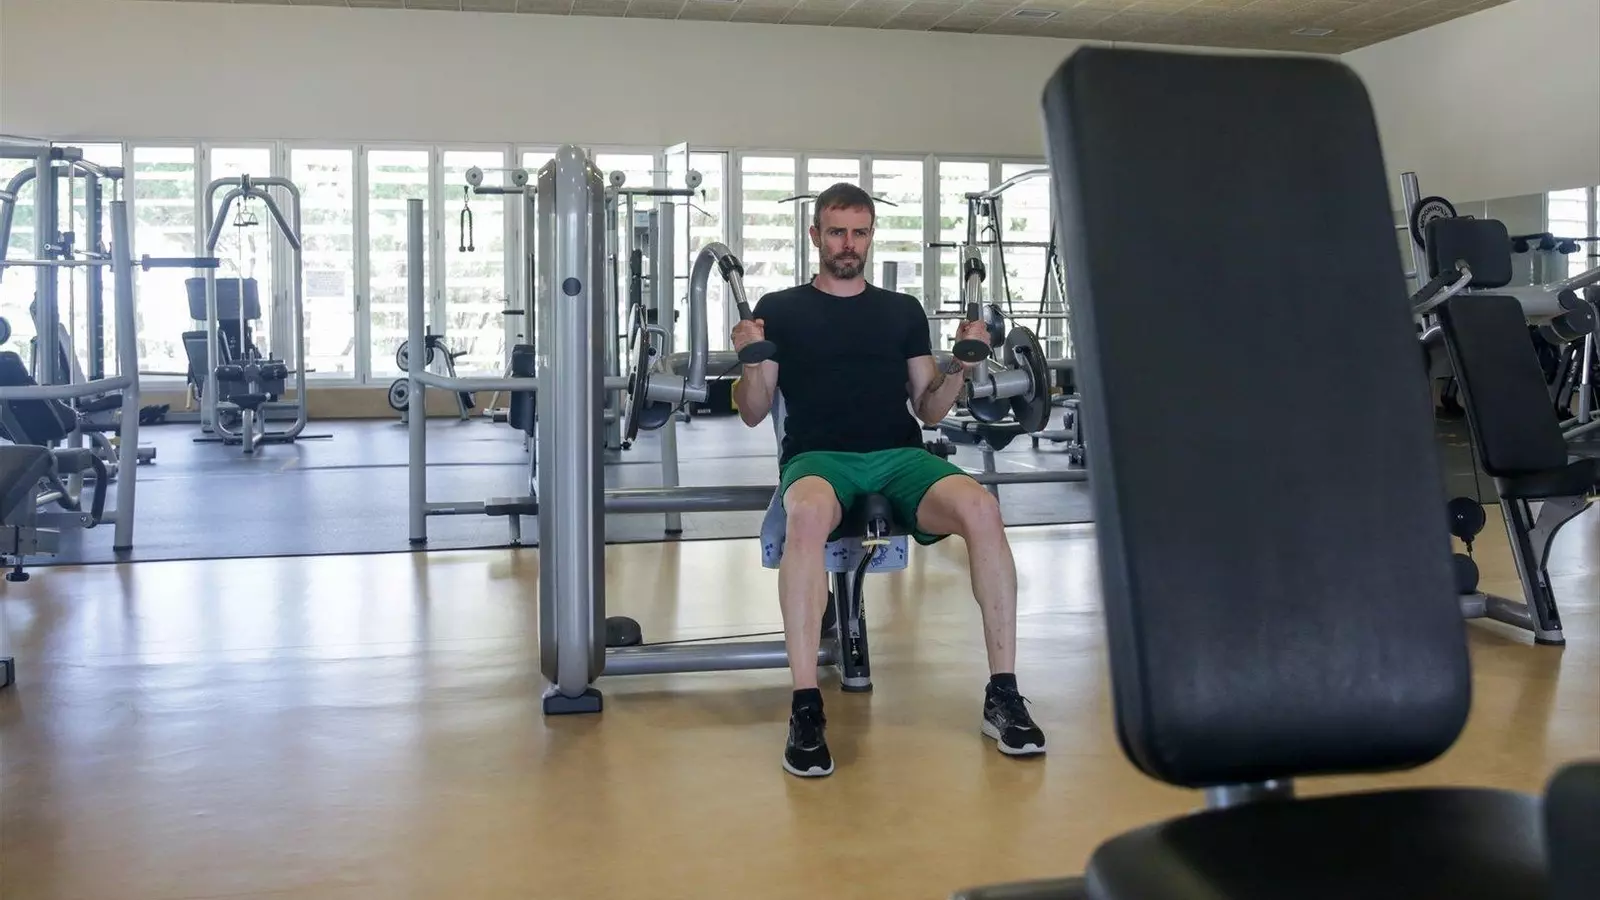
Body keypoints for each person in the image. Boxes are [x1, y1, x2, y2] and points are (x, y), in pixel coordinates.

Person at [731, 182, 1046, 778]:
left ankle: (1003, 693)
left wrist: (962, 366)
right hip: (819, 459)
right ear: (815, 236)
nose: (848, 244)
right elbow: (753, 410)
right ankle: (806, 707)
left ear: (871, 236)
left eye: (859, 232)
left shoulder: (901, 312)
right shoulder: (780, 308)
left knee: (982, 507)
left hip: (900, 456)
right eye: (837, 232)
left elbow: (929, 409)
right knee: (807, 517)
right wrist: (749, 362)